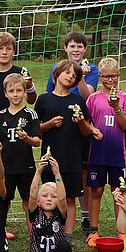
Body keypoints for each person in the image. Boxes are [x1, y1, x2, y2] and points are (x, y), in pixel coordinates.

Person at [0, 31, 37, 239]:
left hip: (18, 141)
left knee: (26, 191)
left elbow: (32, 98)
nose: (4, 52)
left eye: (8, 48)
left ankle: (34, 230)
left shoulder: (21, 72)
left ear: (14, 51)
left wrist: (29, 86)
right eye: (0, 48)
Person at [35, 61, 97, 240]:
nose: (70, 76)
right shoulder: (44, 99)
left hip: (72, 158)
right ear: (56, 73)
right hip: (50, 158)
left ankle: (67, 235)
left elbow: (87, 132)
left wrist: (81, 122)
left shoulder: (78, 101)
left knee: (69, 198)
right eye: (67, 72)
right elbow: (35, 129)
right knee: (50, 196)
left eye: (74, 75)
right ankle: (49, 230)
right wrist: (49, 124)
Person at [45, 31, 99, 234]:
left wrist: (82, 77)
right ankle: (54, 213)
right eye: (72, 46)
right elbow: (50, 94)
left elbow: (89, 95)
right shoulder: (57, 68)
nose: (76, 49)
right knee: (56, 169)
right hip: (59, 126)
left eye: (79, 46)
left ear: (85, 49)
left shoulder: (91, 69)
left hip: (81, 122)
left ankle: (85, 216)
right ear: (66, 48)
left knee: (82, 172)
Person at [84, 58, 126, 246]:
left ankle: (122, 231)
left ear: (118, 75)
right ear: (100, 77)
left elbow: (124, 125)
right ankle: (93, 231)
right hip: (97, 152)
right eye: (105, 76)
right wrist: (92, 129)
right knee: (96, 190)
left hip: (118, 154)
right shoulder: (93, 98)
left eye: (113, 76)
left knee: (118, 192)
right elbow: (86, 122)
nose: (110, 79)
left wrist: (116, 108)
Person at [0, 73, 41, 237]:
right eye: (11, 91)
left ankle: (33, 234)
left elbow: (37, 141)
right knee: (3, 201)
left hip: (25, 166)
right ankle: (0, 233)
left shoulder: (30, 115)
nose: (15, 94)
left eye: (19, 90)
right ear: (5, 93)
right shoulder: (0, 116)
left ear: (25, 92)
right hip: (5, 166)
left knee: (28, 201)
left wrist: (27, 138)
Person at [22, 155, 73, 252]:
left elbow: (63, 198)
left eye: (53, 196)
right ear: (38, 201)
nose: (49, 199)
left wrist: (57, 174)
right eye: (45, 196)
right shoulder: (34, 212)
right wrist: (38, 172)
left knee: (64, 244)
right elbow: (32, 194)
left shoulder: (60, 213)